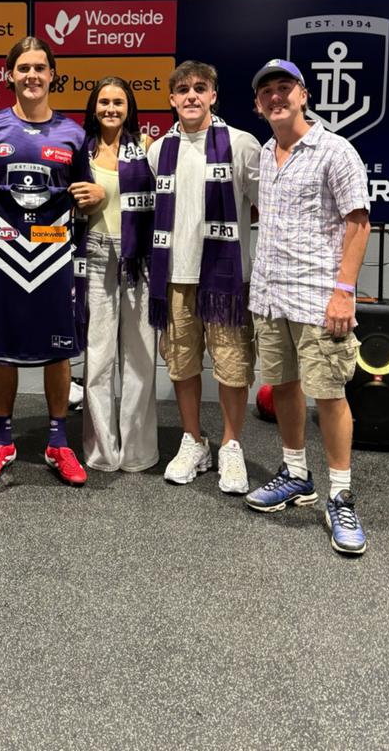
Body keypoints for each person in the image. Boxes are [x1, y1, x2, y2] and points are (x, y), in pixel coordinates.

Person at [0, 36, 102, 487]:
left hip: (54, 255)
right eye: (23, 68)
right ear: (10, 75)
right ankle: (2, 440)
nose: (32, 76)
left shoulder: (74, 134)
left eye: (40, 68)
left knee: (57, 351)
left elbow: (87, 191)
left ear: (52, 75)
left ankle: (58, 441)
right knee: (2, 348)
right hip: (3, 254)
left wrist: (95, 194)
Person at [246, 59, 371, 556]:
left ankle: (340, 494)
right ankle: (296, 474)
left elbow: (357, 222)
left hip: (320, 298)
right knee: (284, 387)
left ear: (302, 95)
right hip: (272, 294)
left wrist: (344, 291)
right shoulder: (263, 152)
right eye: (267, 93)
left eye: (284, 88)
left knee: (330, 393)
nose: (276, 97)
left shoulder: (335, 151)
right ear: (258, 106)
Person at [148, 60, 260, 494]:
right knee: (181, 365)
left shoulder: (241, 143)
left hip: (226, 279)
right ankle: (194, 440)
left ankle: (231, 445)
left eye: (200, 88)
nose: (191, 95)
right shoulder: (160, 150)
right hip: (175, 277)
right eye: (183, 89)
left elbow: (263, 204)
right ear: (172, 99)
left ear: (213, 95)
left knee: (233, 366)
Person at [80, 77, 158, 472]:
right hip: (94, 255)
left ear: (130, 107)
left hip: (138, 260)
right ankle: (101, 451)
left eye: (119, 102)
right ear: (94, 107)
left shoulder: (146, 148)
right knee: (99, 357)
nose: (111, 108)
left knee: (140, 357)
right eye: (105, 102)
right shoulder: (81, 150)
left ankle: (138, 451)